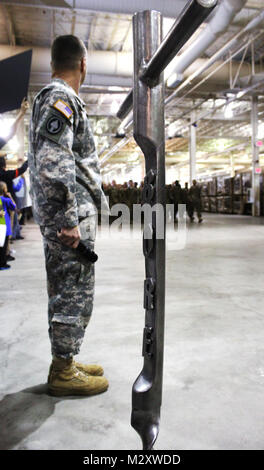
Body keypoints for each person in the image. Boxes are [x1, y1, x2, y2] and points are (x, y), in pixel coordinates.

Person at [28, 35, 109, 397]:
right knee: (71, 293)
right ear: (83, 64)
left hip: (71, 216)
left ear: (53, 63)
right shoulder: (61, 99)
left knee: (70, 290)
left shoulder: (59, 98)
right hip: (69, 221)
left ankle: (66, 359)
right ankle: (62, 370)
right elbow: (54, 163)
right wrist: (68, 219)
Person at [0, 182, 16, 270]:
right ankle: (2, 264)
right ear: (4, 190)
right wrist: (10, 197)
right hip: (4, 226)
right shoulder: (5, 200)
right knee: (3, 246)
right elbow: (14, 207)